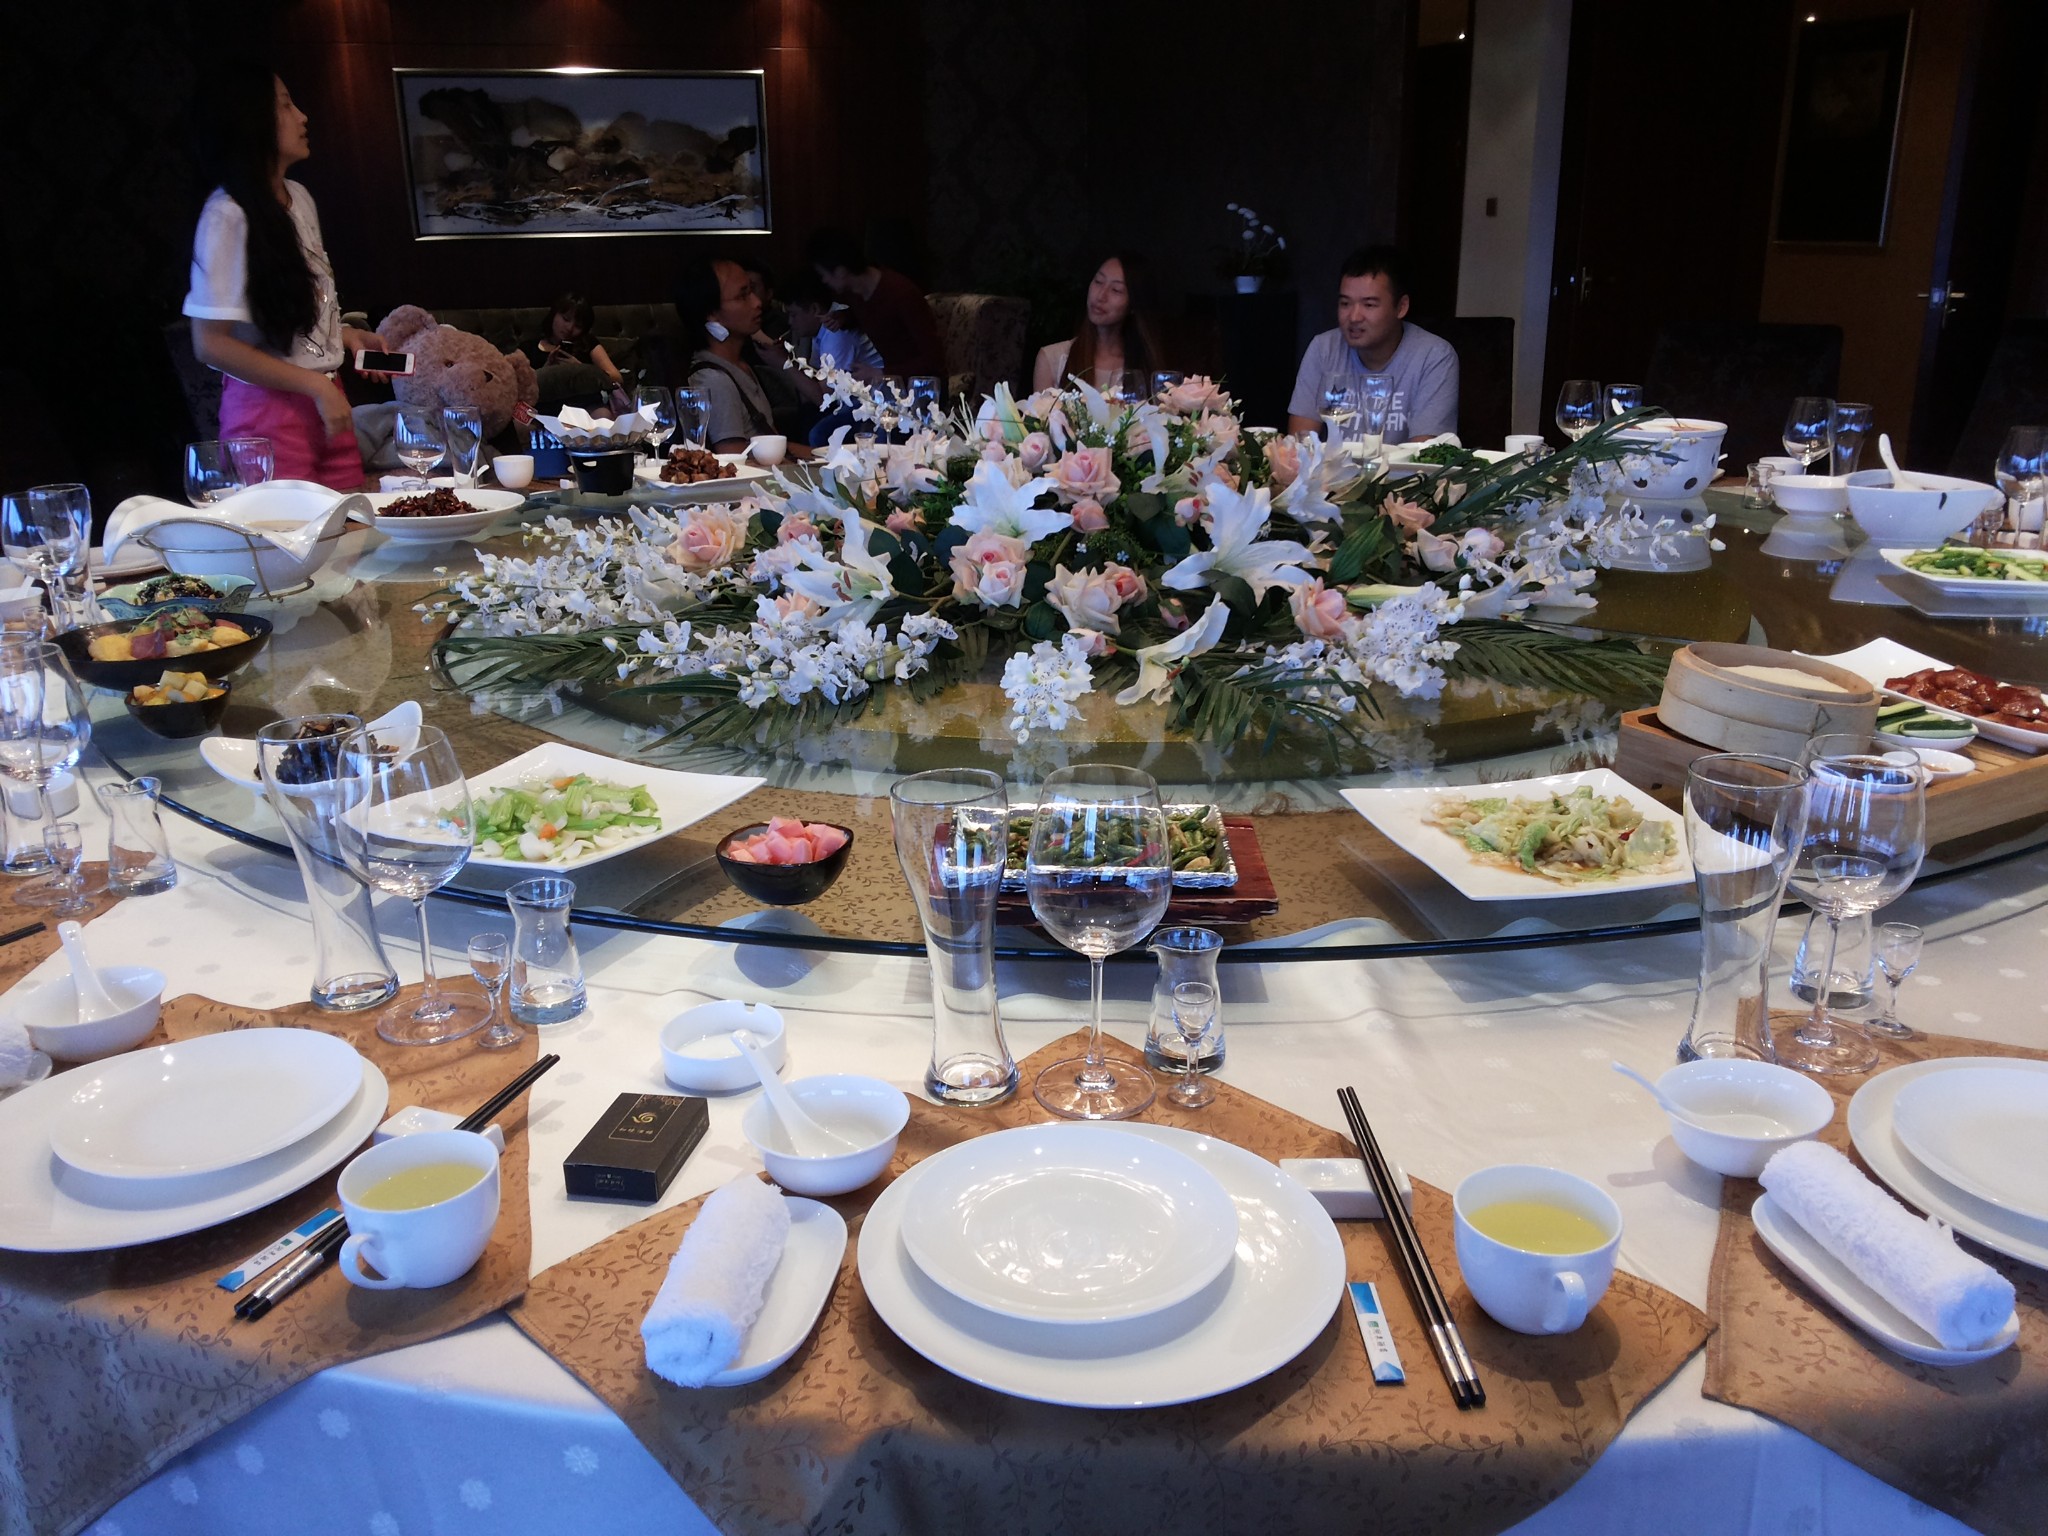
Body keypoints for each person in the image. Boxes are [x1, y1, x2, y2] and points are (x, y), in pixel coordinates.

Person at [184, 65, 390, 490]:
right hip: (267, 411)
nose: (302, 116)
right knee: (288, 528)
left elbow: (290, 309)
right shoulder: (226, 215)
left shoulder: (299, 198)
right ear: (251, 121)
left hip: (326, 399)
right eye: (285, 105)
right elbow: (210, 343)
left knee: (351, 525)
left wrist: (344, 336)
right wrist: (315, 385)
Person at [1285, 246, 1459, 442]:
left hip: (1403, 464)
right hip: (1333, 463)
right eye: (1345, 304)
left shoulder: (1433, 356)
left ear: (1401, 307)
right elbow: (1300, 443)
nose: (1354, 317)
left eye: (1369, 305)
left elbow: (1425, 452)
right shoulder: (1324, 348)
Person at [675, 256, 815, 459]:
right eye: (742, 296)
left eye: (752, 291)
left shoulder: (738, 365)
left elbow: (772, 441)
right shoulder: (714, 378)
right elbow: (732, 455)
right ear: (711, 313)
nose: (757, 302)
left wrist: (827, 457)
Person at [804, 228, 946, 378]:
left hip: (925, 384)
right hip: (895, 382)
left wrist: (881, 373)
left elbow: (935, 360)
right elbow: (868, 317)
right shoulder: (854, 293)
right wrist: (842, 318)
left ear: (841, 271)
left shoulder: (900, 293)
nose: (824, 281)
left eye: (823, 275)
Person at [1032, 253, 1164, 392]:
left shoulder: (1146, 365)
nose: (1101, 296)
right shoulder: (1053, 358)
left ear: (1133, 303)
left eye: (1116, 290)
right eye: (1098, 282)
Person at [521, 292, 627, 408]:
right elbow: (519, 388)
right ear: (554, 314)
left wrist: (580, 369)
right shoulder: (529, 347)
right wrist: (547, 370)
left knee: (602, 412)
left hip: (583, 407)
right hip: (543, 407)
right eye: (566, 319)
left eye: (578, 326)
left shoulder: (587, 344)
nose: (570, 328)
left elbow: (617, 378)